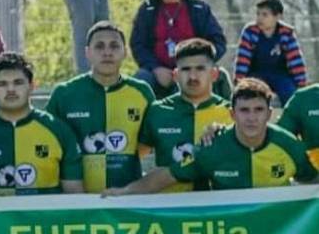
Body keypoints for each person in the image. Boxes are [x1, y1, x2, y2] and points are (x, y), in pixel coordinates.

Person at [106, 78, 317, 193]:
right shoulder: (212, 148)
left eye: (258, 110)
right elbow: (166, 176)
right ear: (232, 114)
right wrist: (124, 192)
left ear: (270, 114)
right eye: (244, 110)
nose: (251, 118)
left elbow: (312, 179)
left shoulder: (289, 145)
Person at [0, 52, 83, 197]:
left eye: (18, 82)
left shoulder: (59, 130)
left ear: (32, 86)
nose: (11, 89)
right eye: (2, 84)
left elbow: (74, 193)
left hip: (43, 220)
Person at [46, 21, 155, 194]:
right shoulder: (64, 93)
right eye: (99, 47)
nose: (107, 52)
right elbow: (50, 144)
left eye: (114, 46)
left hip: (127, 196)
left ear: (125, 52)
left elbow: (148, 142)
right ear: (88, 53)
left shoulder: (141, 92)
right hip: (77, 198)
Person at [138, 38, 232, 192]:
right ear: (175, 75)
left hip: (219, 209)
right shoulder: (158, 111)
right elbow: (134, 156)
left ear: (214, 74)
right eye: (186, 69)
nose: (193, 76)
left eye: (200, 69)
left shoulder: (232, 113)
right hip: (170, 209)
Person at [130, 0, 230, 100]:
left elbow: (218, 42)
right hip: (158, 72)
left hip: (192, 70)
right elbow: (138, 44)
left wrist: (195, 66)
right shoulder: (148, 9)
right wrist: (155, 68)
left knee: (218, 77)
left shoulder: (199, 9)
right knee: (140, 80)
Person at [233, 0, 308, 106]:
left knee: (291, 95)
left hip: (280, 75)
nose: (260, 18)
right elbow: (242, 60)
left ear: (277, 16)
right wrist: (239, 81)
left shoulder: (286, 33)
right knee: (251, 96)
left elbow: (295, 61)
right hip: (256, 74)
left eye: (265, 15)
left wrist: (301, 85)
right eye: (258, 14)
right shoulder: (250, 32)